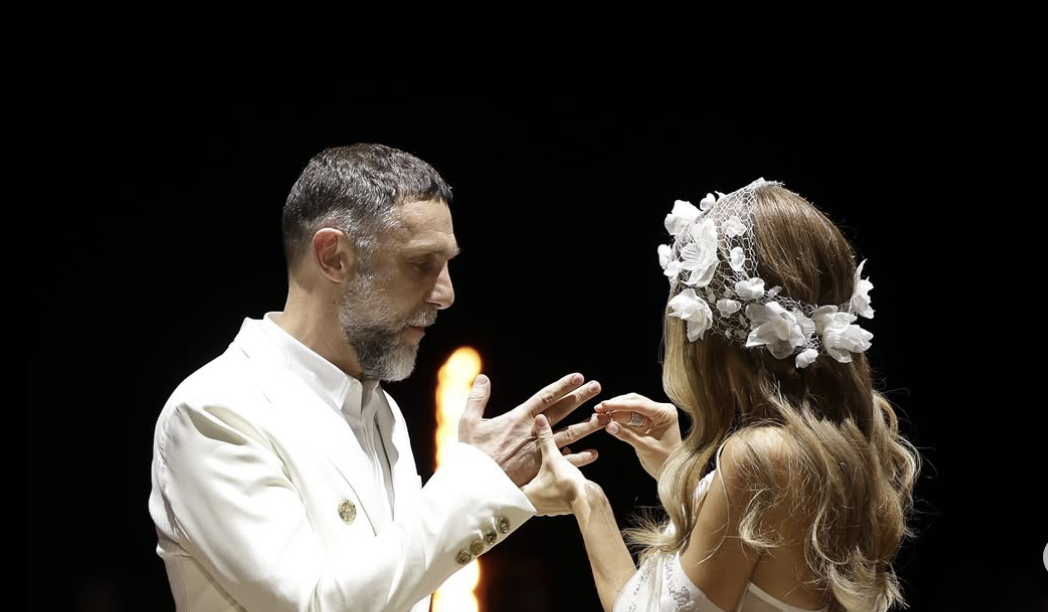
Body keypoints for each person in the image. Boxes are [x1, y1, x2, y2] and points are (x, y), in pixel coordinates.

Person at [148, 143, 609, 612]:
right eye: (421, 263)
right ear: (334, 257)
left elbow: (386, 586)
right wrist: (477, 482)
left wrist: (501, 496)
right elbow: (313, 606)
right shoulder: (214, 410)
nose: (446, 293)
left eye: (447, 264)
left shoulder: (381, 408)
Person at [522, 179, 919, 612]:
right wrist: (673, 464)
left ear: (713, 334)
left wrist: (584, 499)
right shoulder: (852, 438)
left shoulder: (759, 456)